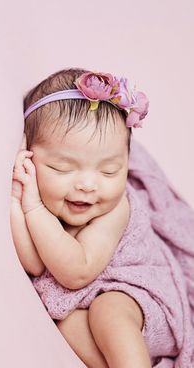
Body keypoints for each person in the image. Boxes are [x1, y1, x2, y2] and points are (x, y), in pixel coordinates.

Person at [10, 68, 194, 368]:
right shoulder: (44, 196)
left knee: (108, 310)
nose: (87, 184)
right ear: (30, 156)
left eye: (109, 171)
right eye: (62, 168)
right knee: (67, 324)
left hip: (141, 297)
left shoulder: (116, 208)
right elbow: (35, 263)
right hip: (86, 303)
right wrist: (19, 198)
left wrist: (34, 209)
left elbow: (75, 271)